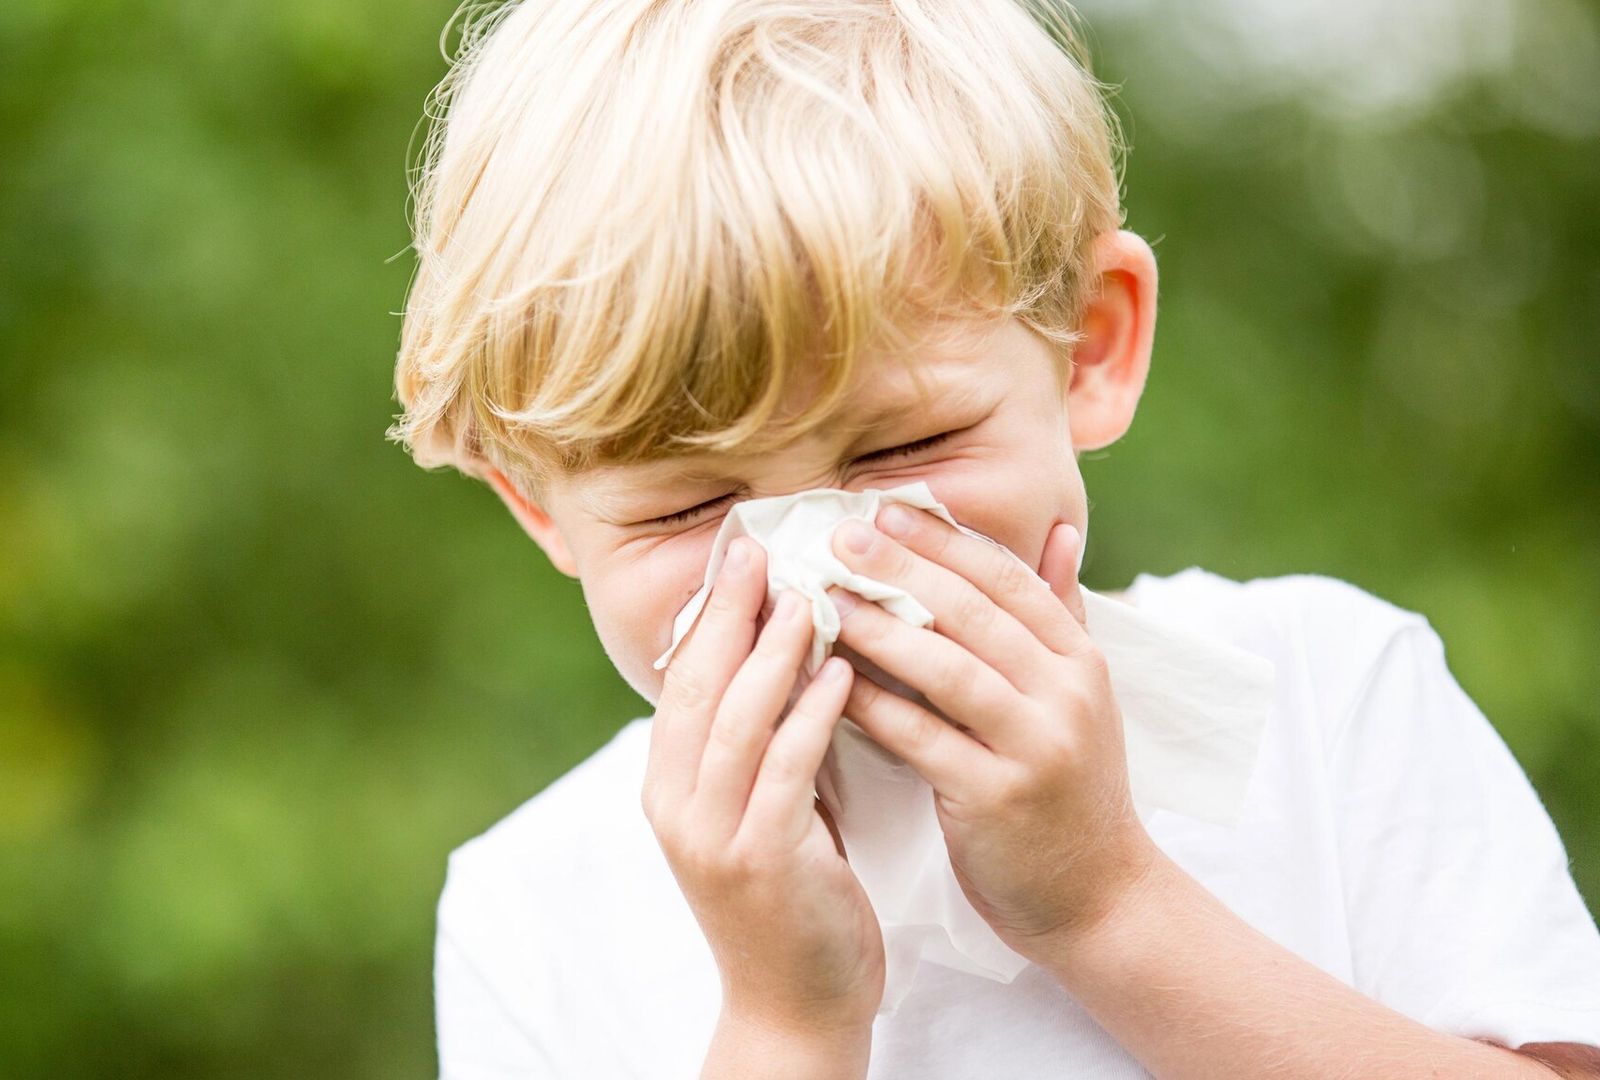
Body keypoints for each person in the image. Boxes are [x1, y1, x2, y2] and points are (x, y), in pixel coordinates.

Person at [386, 0, 1600, 1075]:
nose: (816, 561)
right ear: (543, 508)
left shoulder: (1319, 695)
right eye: (687, 507)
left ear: (1091, 351)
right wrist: (785, 1021)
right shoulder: (535, 904)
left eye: (901, 449)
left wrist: (1107, 905)